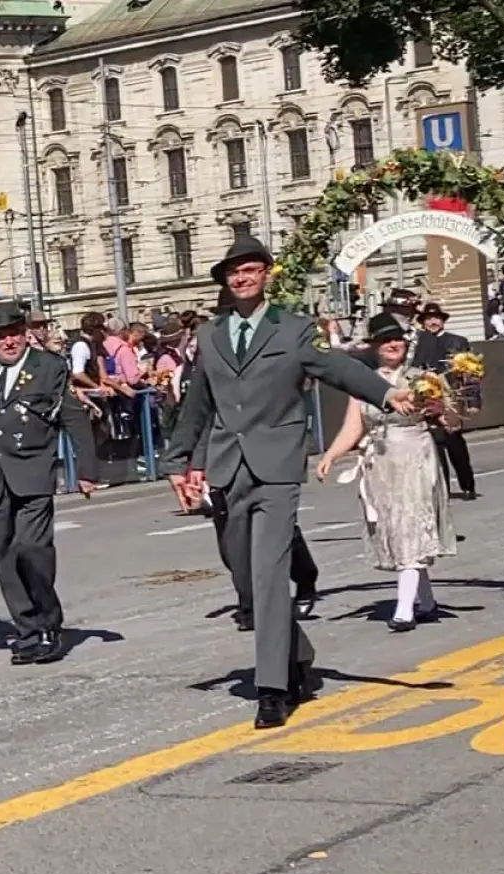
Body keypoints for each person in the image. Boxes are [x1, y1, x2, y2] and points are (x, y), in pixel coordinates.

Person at [162, 235, 413, 729]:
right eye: (233, 272)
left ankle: (273, 688)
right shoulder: (210, 334)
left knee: (270, 573)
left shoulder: (294, 329)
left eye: (250, 269)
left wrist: (385, 395)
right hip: (228, 466)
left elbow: (337, 367)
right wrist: (177, 461)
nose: (242, 278)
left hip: (276, 465)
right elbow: (198, 403)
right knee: (244, 575)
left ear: (265, 275)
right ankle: (296, 652)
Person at [0, 302, 88, 665]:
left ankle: (48, 624)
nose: (8, 342)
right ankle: (27, 630)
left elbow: (71, 414)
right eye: (0, 336)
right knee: (6, 554)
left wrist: (87, 468)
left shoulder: (48, 366)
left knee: (32, 548)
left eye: (14, 334)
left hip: (33, 470)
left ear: (25, 335)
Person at [315, 313, 456, 631]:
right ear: (374, 346)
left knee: (411, 527)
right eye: (385, 340)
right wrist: (331, 455)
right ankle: (426, 602)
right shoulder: (365, 383)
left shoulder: (423, 378)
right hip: (380, 464)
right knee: (397, 530)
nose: (393, 345)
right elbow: (353, 426)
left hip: (414, 459)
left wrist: (440, 411)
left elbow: (452, 422)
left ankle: (404, 610)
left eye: (397, 339)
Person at [193, 291, 321, 630]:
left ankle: (304, 578)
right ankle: (249, 601)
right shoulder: (212, 345)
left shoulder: (270, 342)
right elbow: (199, 410)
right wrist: (194, 462)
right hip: (222, 450)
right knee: (231, 536)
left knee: (277, 534)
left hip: (265, 449)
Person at [411, 302, 477, 501]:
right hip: (426, 396)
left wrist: (473, 400)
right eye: (428, 319)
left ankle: (467, 485)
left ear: (443, 320)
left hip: (452, 397)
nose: (433, 322)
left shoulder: (457, 341)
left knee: (454, 440)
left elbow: (470, 374)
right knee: (435, 445)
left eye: (436, 318)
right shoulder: (417, 344)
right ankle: (443, 488)